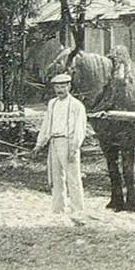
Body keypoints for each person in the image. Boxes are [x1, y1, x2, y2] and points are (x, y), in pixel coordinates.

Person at [32, 72, 88, 221]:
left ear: (69, 86)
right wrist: (39, 144)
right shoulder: (52, 103)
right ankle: (58, 209)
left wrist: (74, 147)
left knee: (73, 178)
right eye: (57, 87)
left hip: (68, 142)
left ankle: (77, 209)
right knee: (56, 177)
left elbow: (80, 129)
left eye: (63, 86)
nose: (60, 90)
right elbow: (46, 125)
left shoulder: (77, 105)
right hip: (54, 142)